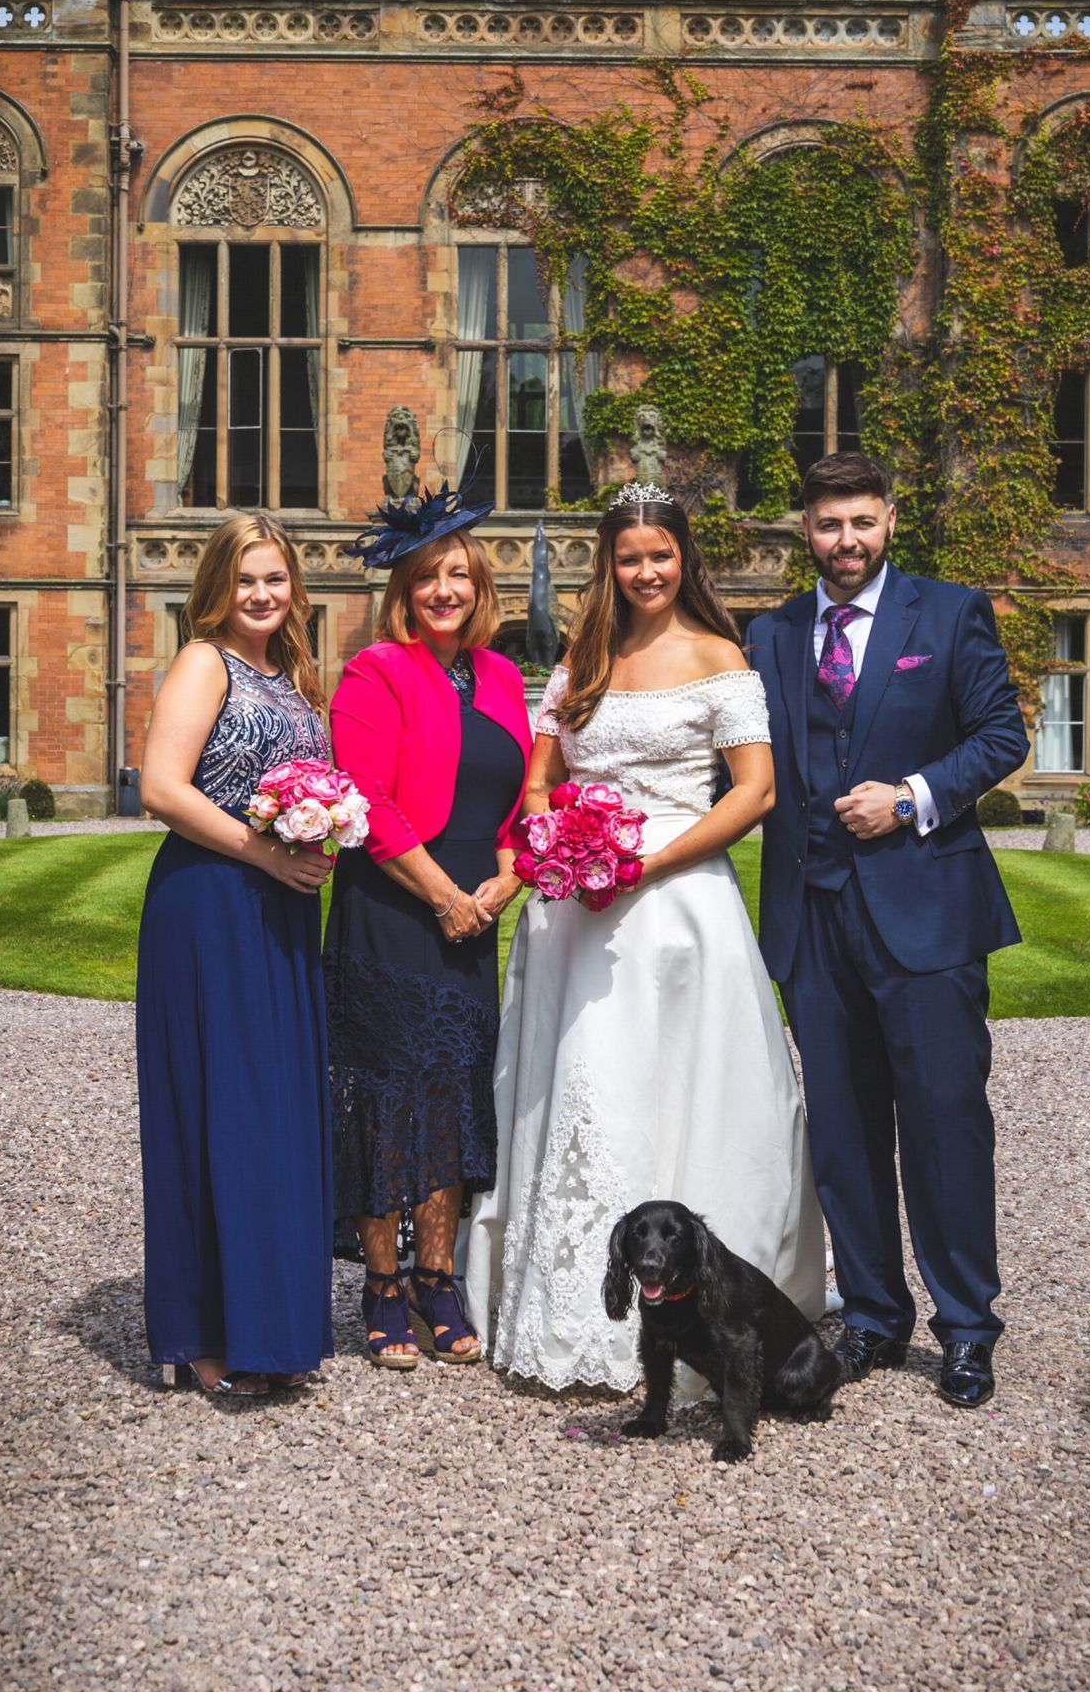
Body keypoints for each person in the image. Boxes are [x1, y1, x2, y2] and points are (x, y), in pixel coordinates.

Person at [466, 483, 827, 1392]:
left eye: (660, 555)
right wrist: (562, 842)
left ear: (683, 558)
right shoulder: (580, 663)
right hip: (575, 918)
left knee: (683, 1086)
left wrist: (645, 863)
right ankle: (569, 1309)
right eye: (629, 557)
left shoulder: (720, 657)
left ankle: (715, 1320)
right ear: (610, 565)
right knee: (585, 1086)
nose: (646, 571)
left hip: (678, 908)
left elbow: (754, 793)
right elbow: (542, 779)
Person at [747, 452, 1030, 1409]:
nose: (846, 541)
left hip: (928, 914)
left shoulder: (948, 614)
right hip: (811, 917)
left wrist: (911, 798)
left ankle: (966, 1328)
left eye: (861, 522)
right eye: (829, 525)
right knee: (843, 1129)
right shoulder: (770, 635)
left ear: (891, 520)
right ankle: (872, 1313)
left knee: (946, 1122)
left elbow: (1001, 735)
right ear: (806, 531)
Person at [326, 485, 532, 1369]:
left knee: (453, 1095)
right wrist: (445, 894)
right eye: (426, 577)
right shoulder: (375, 670)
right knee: (385, 1097)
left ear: (480, 586)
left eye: (459, 573)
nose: (444, 589)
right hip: (392, 909)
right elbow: (367, 804)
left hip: (474, 916)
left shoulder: (504, 675)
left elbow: (527, 802)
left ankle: (437, 1276)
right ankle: (381, 1283)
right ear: (403, 591)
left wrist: (504, 883)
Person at [136, 513, 336, 1398]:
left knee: (277, 1113)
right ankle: (203, 1333)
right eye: (247, 579)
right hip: (211, 905)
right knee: (220, 1111)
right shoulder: (202, 662)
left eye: (276, 580)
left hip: (279, 913)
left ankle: (273, 1326)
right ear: (218, 585)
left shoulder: (291, 675)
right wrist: (265, 854)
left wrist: (324, 835)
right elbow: (161, 787)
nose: (263, 595)